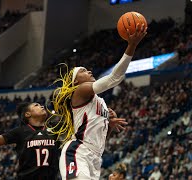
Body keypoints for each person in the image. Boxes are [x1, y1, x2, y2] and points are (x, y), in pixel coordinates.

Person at [48, 23, 147, 179]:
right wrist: (131, 46)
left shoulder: (100, 102)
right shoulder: (79, 91)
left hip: (95, 156)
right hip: (78, 151)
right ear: (75, 82)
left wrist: (108, 127)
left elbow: (97, 139)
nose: (89, 71)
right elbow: (115, 78)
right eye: (83, 71)